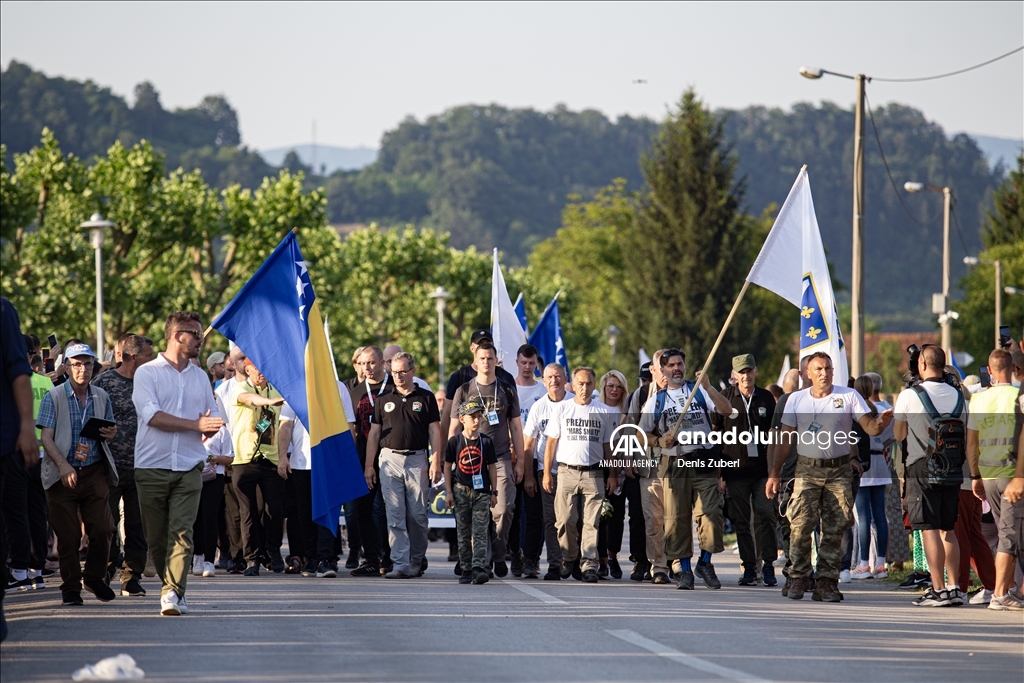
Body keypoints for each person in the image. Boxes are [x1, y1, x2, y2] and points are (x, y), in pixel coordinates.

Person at [772, 352, 893, 603]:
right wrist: (774, 473)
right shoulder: (796, 400)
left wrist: (880, 424)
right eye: (818, 369)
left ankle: (826, 582)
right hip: (806, 470)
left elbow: (868, 426)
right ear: (808, 373)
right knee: (801, 525)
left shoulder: (848, 396)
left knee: (835, 528)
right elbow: (784, 439)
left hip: (838, 471)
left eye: (827, 368)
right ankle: (798, 576)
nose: (823, 373)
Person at [133, 312, 224, 615]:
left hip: (189, 466)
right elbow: (153, 417)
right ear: (176, 336)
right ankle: (172, 585)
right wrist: (195, 425)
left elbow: (209, 416)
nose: (201, 340)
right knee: (157, 539)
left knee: (182, 532)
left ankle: (172, 592)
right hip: (151, 465)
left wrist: (211, 426)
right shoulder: (148, 373)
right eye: (195, 334)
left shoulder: (201, 377)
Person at [639, 348, 733, 590]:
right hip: (675, 463)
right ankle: (685, 571)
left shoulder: (699, 390)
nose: (676, 368)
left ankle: (705, 562)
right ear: (662, 370)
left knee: (711, 514)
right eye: (671, 365)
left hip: (704, 460)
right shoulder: (656, 400)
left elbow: (727, 411)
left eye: (680, 363)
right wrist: (659, 442)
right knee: (677, 519)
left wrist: (710, 387)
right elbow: (641, 434)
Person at [38, 342, 118, 605]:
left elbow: (108, 431)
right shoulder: (54, 396)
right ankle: (70, 586)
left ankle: (94, 577)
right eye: (77, 364)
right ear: (68, 367)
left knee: (104, 527)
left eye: (87, 364)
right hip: (62, 472)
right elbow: (46, 438)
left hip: (93, 469)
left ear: (93, 367)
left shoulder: (101, 396)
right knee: (69, 534)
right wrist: (63, 466)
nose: (82, 369)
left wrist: (111, 433)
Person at [449, 341, 525, 577]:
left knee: (503, 510)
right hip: (469, 459)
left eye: (490, 358)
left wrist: (520, 460)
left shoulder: (506, 387)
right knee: (472, 514)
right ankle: (480, 561)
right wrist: (451, 459)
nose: (486, 362)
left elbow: (515, 426)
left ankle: (499, 554)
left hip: (499, 457)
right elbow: (453, 427)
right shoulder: (463, 389)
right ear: (476, 360)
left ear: (496, 360)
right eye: (482, 358)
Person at [365, 352, 442, 578]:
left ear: (412, 372)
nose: (398, 376)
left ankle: (416, 560)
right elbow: (374, 435)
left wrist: (435, 461)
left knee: (418, 514)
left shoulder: (426, 398)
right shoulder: (383, 400)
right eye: (394, 372)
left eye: (402, 372)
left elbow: (435, 432)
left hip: (417, 459)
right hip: (389, 460)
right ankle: (400, 563)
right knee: (394, 513)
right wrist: (369, 465)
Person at [91, 334, 155, 597]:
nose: (153, 360)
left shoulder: (151, 382)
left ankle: (131, 577)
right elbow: (88, 417)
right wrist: (102, 432)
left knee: (138, 526)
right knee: (108, 524)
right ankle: (106, 570)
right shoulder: (104, 382)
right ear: (132, 357)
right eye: (149, 356)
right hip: (110, 467)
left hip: (143, 464)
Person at [542, 367, 619, 583]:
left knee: (591, 523)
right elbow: (551, 443)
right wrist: (547, 473)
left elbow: (608, 446)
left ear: (594, 386)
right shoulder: (562, 409)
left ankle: (589, 566)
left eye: (588, 384)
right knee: (565, 520)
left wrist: (612, 474)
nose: (584, 388)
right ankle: (569, 557)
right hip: (566, 471)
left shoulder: (603, 411)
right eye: (580, 384)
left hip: (594, 473)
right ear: (573, 385)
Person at [279, 380, 356, 577]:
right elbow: (285, 425)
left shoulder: (337, 387)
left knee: (328, 512)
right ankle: (311, 558)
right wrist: (282, 457)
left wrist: (346, 459)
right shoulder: (294, 388)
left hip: (328, 463)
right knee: (305, 514)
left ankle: (325, 559)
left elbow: (348, 425)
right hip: (301, 463)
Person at [714, 354, 778, 587]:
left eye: (749, 371)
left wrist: (775, 471)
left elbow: (775, 436)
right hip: (735, 470)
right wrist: (720, 473)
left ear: (756, 371)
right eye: (741, 372)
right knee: (741, 521)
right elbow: (716, 437)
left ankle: (769, 564)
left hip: (762, 470)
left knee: (766, 514)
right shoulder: (725, 398)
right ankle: (749, 566)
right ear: (734, 375)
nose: (746, 376)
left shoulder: (766, 398)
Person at [967, 349, 1024, 611]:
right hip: (1013, 475)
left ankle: (1009, 588)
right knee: (1009, 535)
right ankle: (1001, 594)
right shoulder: (1018, 396)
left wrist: (975, 476)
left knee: (1005, 530)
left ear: (989, 371)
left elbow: (972, 443)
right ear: (1014, 369)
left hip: (988, 474)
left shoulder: (978, 400)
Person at [1, 298, 41, 641]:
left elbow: (18, 372)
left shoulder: (2, 310)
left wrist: (27, 426)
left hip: (3, 440)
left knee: (12, 514)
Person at [229, 357, 286, 576]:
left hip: (271, 458)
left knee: (274, 511)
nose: (262, 372)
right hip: (245, 459)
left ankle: (272, 550)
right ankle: (251, 558)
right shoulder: (240, 388)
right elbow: (249, 399)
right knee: (248, 512)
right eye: (257, 369)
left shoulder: (276, 390)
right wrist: (269, 402)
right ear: (248, 369)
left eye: (266, 368)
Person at [3, 348, 52, 592]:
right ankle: (37, 572)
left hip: (17, 453)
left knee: (16, 515)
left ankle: (19, 571)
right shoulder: (46, 382)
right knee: (38, 514)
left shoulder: (12, 382)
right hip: (44, 455)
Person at [522, 363, 573, 580]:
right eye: (549, 377)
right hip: (547, 471)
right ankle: (554, 564)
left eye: (558, 376)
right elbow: (528, 444)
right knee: (550, 520)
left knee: (572, 519)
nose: (554, 380)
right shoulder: (538, 407)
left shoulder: (574, 402)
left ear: (565, 378)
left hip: (572, 470)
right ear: (543, 381)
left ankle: (573, 561)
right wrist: (531, 476)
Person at [349, 346, 393, 576]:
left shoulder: (395, 388)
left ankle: (391, 557)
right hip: (362, 458)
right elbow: (351, 429)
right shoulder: (354, 392)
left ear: (383, 363)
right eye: (363, 363)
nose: (367, 367)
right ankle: (371, 560)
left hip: (389, 459)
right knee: (362, 511)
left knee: (389, 511)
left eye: (372, 363)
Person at [444, 398, 499, 585]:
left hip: (481, 492)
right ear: (462, 419)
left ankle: (478, 567)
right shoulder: (455, 441)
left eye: (478, 417)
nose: (476, 421)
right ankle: (465, 568)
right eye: (472, 417)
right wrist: (449, 491)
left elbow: (492, 467)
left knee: (481, 530)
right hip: (461, 490)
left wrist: (494, 491)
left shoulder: (486, 442)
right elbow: (447, 466)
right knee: (463, 531)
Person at [626, 350, 668, 583]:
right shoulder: (641, 394)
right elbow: (631, 428)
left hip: (675, 466)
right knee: (647, 518)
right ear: (653, 370)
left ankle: (674, 562)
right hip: (646, 465)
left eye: (668, 368)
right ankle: (651, 563)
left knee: (672, 517)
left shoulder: (682, 394)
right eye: (659, 369)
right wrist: (629, 459)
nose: (664, 373)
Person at [849, 375, 894, 581]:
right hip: (880, 464)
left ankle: (864, 564)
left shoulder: (856, 411)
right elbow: (889, 438)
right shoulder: (883, 409)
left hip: (863, 466)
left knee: (863, 516)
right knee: (880, 515)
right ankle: (881, 564)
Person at [512, 344, 546, 576]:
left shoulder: (543, 391)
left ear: (536, 364)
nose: (527, 367)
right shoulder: (507, 387)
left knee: (536, 514)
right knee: (511, 512)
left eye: (531, 363)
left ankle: (532, 560)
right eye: (523, 363)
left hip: (535, 459)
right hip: (511, 457)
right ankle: (515, 554)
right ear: (517, 362)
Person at [598, 369, 631, 579]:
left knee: (617, 517)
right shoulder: (596, 408)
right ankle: (600, 558)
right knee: (601, 515)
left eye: (619, 386)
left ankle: (612, 556)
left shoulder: (627, 410)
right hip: (599, 468)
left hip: (622, 468)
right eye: (610, 385)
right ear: (603, 387)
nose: (614, 390)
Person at [195, 423, 233, 577]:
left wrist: (212, 457)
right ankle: (198, 556)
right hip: (192, 475)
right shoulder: (190, 426)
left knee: (209, 518)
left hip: (214, 476)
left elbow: (229, 458)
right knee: (195, 517)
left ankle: (209, 561)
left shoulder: (222, 431)